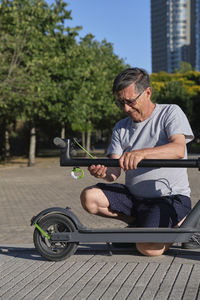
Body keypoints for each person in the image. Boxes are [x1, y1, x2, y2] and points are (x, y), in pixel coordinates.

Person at [80, 67, 194, 256]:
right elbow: (113, 172)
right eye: (121, 103)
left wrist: (142, 154)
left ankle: (180, 225)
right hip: (135, 200)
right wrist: (103, 171)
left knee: (148, 248)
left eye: (130, 101)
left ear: (147, 92)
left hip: (169, 199)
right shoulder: (121, 127)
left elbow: (178, 149)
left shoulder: (170, 113)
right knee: (89, 197)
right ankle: (141, 226)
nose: (125, 108)